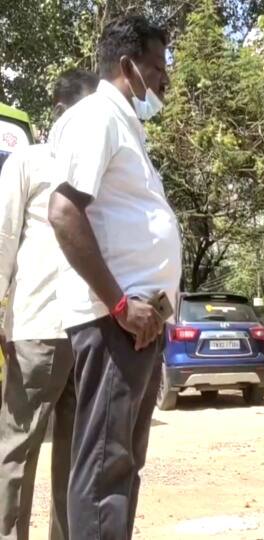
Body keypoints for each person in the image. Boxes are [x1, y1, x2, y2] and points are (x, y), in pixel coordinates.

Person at [47, 15, 181, 540]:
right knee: (105, 472)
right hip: (113, 324)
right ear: (128, 66)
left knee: (121, 467)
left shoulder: (126, 125)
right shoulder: (96, 117)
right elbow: (64, 212)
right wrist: (122, 305)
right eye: (156, 68)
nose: (164, 81)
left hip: (135, 325)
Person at [0, 69, 99, 540]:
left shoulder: (78, 165)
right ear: (60, 112)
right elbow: (4, 236)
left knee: (52, 451)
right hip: (56, 327)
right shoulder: (35, 161)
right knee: (38, 451)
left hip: (69, 326)